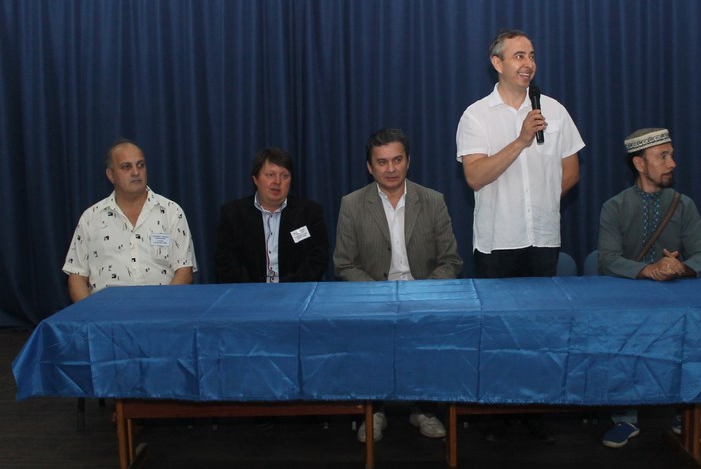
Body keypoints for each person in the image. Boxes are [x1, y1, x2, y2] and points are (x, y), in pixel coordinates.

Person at [333, 128, 462, 442]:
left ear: (408, 161)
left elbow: (450, 261)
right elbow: (344, 264)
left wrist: (422, 293)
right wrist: (379, 294)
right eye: (382, 162)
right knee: (369, 339)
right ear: (370, 167)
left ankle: (425, 409)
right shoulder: (352, 204)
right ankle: (374, 410)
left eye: (397, 160)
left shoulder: (432, 201)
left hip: (424, 295)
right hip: (372, 297)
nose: (390, 168)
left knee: (432, 336)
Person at [598, 127, 701, 448]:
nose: (672, 163)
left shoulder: (684, 205)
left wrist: (683, 267)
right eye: (663, 157)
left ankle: (692, 417)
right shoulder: (614, 207)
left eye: (672, 155)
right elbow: (608, 260)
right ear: (640, 164)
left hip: (676, 298)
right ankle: (624, 416)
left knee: (698, 336)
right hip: (629, 299)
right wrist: (648, 270)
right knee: (622, 338)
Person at [456, 29, 585, 278]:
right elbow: (474, 177)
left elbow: (571, 172)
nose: (528, 64)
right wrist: (521, 141)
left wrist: (541, 202)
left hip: (544, 238)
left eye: (531, 56)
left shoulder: (555, 110)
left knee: (543, 304)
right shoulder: (476, 115)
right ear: (497, 63)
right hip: (497, 242)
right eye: (519, 56)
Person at [63, 140, 197, 302]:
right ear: (110, 175)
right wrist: (92, 313)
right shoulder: (91, 217)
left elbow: (184, 271)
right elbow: (77, 277)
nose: (136, 172)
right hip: (106, 313)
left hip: (160, 309)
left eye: (141, 165)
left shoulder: (171, 212)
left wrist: (163, 307)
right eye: (126, 167)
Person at [215, 147, 328, 283]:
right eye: (270, 175)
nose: (277, 181)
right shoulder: (233, 214)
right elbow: (225, 261)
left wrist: (286, 289)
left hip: (296, 290)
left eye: (284, 176)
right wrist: (255, 290)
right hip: (246, 291)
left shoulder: (309, 213)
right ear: (255, 179)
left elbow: (318, 259)